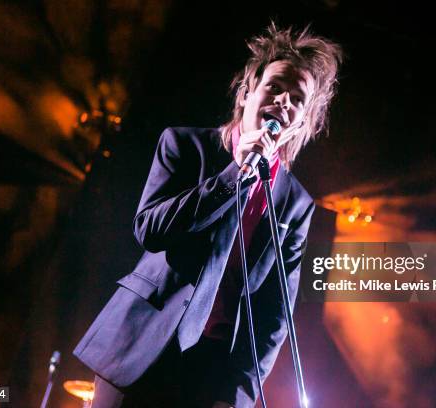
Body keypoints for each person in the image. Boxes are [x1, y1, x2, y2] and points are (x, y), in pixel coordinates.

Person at [73, 23, 342, 408]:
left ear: (300, 121)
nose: (284, 101)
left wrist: (238, 397)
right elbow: (151, 229)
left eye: (297, 98)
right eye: (275, 87)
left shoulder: (294, 203)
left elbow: (273, 316)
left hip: (208, 368)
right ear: (248, 92)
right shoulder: (185, 146)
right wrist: (234, 176)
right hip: (142, 345)